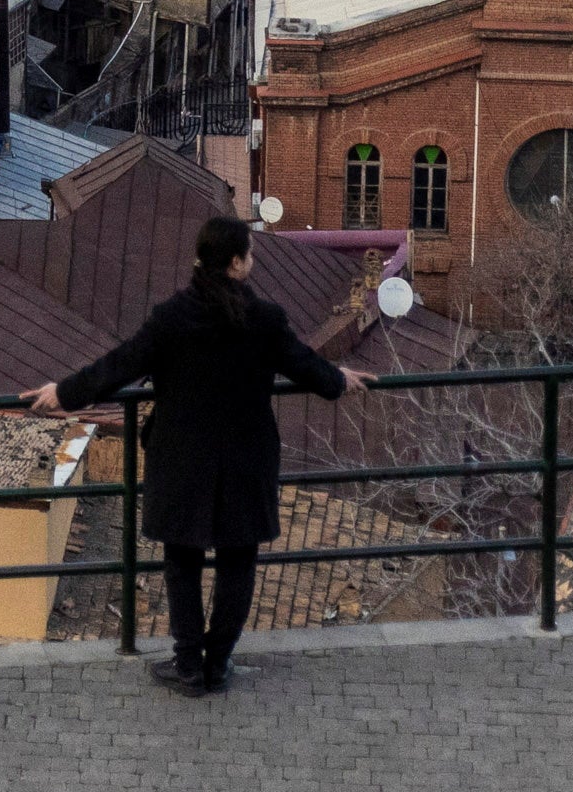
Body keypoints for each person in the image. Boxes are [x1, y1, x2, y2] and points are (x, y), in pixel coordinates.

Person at [30, 214, 359, 698]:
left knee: (181, 560)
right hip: (246, 460)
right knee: (237, 562)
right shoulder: (265, 320)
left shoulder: (172, 318)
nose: (255, 259)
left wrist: (65, 392)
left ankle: (188, 667)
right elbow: (308, 368)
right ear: (236, 263)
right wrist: (341, 379)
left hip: (182, 458)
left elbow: (119, 365)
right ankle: (218, 664)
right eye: (251, 253)